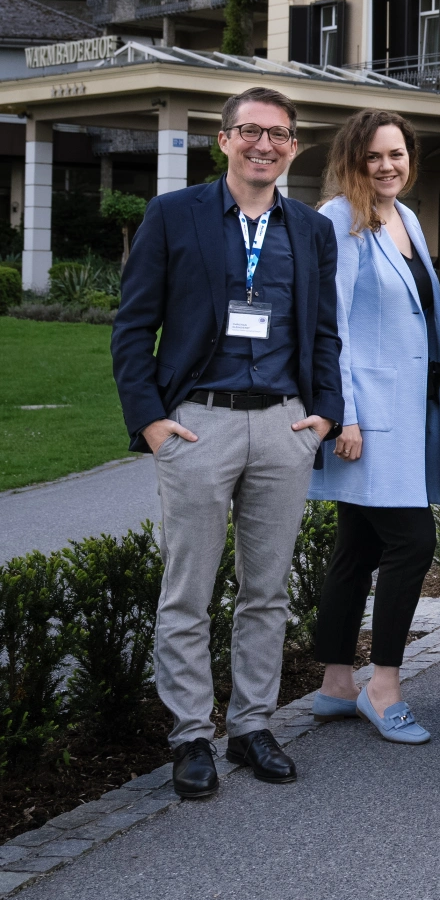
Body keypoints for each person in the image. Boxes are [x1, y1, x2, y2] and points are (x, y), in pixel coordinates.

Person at [110, 86, 342, 798]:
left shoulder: (309, 228)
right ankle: (189, 738)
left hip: (282, 424)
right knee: (189, 590)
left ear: (294, 146)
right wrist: (151, 420)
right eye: (250, 131)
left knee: (265, 591)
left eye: (278, 134)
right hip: (198, 422)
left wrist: (323, 414)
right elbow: (131, 327)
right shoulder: (174, 215)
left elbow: (325, 332)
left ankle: (250, 726)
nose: (263, 144)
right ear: (224, 140)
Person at [308, 110, 440, 744]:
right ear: (353, 161)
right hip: (368, 417)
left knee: (358, 546)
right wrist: (347, 414)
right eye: (375, 156)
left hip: (410, 410)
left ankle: (337, 683)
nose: (389, 165)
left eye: (398, 153)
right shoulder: (340, 220)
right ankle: (383, 684)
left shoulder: (408, 217)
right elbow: (329, 322)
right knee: (413, 542)